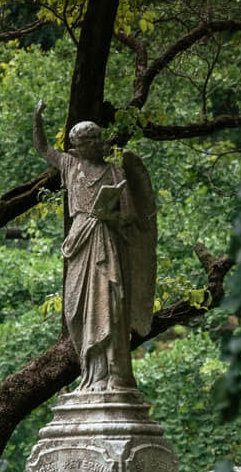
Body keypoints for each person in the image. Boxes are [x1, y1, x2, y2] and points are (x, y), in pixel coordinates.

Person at [32, 100, 156, 392]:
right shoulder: (70, 164)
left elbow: (129, 218)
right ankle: (90, 373)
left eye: (97, 139)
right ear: (76, 145)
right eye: (87, 141)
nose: (95, 144)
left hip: (108, 242)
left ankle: (113, 375)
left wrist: (107, 215)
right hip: (80, 242)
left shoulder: (116, 173)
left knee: (111, 307)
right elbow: (42, 148)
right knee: (77, 310)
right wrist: (37, 119)